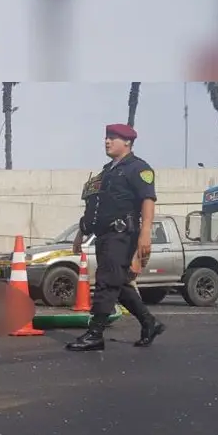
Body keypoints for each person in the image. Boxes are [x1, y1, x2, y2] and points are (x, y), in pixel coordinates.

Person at [66, 123, 165, 351]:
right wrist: (81, 232)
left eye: (113, 138)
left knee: (106, 281)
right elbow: (94, 206)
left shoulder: (138, 168)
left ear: (127, 142)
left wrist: (145, 234)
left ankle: (95, 333)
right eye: (106, 138)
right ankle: (149, 323)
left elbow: (148, 200)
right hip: (104, 235)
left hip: (122, 235)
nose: (107, 141)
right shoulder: (106, 172)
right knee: (118, 283)